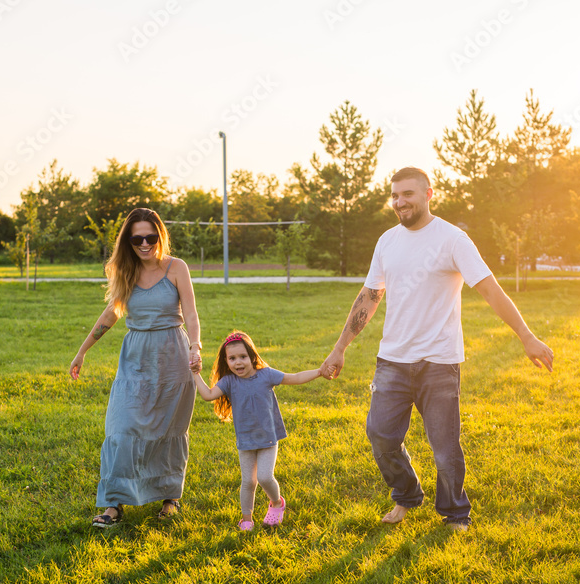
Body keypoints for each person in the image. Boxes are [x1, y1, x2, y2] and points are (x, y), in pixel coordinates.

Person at [320, 167, 554, 531]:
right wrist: (340, 348)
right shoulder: (387, 241)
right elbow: (370, 296)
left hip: (439, 363)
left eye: (407, 194)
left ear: (429, 194)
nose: (400, 202)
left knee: (445, 450)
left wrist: (527, 336)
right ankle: (407, 495)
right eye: (395, 195)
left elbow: (491, 290)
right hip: (392, 361)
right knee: (381, 436)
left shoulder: (453, 239)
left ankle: (455, 513)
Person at [70, 208, 203, 527]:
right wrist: (82, 351)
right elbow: (110, 315)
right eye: (137, 238)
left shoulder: (176, 268)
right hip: (135, 358)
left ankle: (170, 496)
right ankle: (113, 503)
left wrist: (195, 347)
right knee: (121, 428)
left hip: (173, 355)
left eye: (150, 237)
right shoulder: (126, 272)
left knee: (168, 430)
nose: (144, 243)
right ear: (128, 241)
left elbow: (193, 314)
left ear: (160, 235)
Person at [192, 330, 327, 531]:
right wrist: (195, 373)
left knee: (264, 477)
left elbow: (296, 377)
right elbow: (208, 395)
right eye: (232, 358)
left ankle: (277, 503)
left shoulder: (266, 375)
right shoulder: (229, 381)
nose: (238, 363)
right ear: (226, 361)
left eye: (243, 357)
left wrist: (319, 371)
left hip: (267, 438)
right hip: (246, 441)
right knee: (248, 481)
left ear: (252, 356)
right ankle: (246, 520)